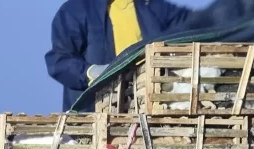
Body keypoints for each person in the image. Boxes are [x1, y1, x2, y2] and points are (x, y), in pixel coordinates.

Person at [45, 0, 191, 112]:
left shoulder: (154, 8)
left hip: (150, 106)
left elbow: (196, 23)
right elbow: (58, 61)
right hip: (96, 115)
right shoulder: (77, 10)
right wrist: (90, 73)